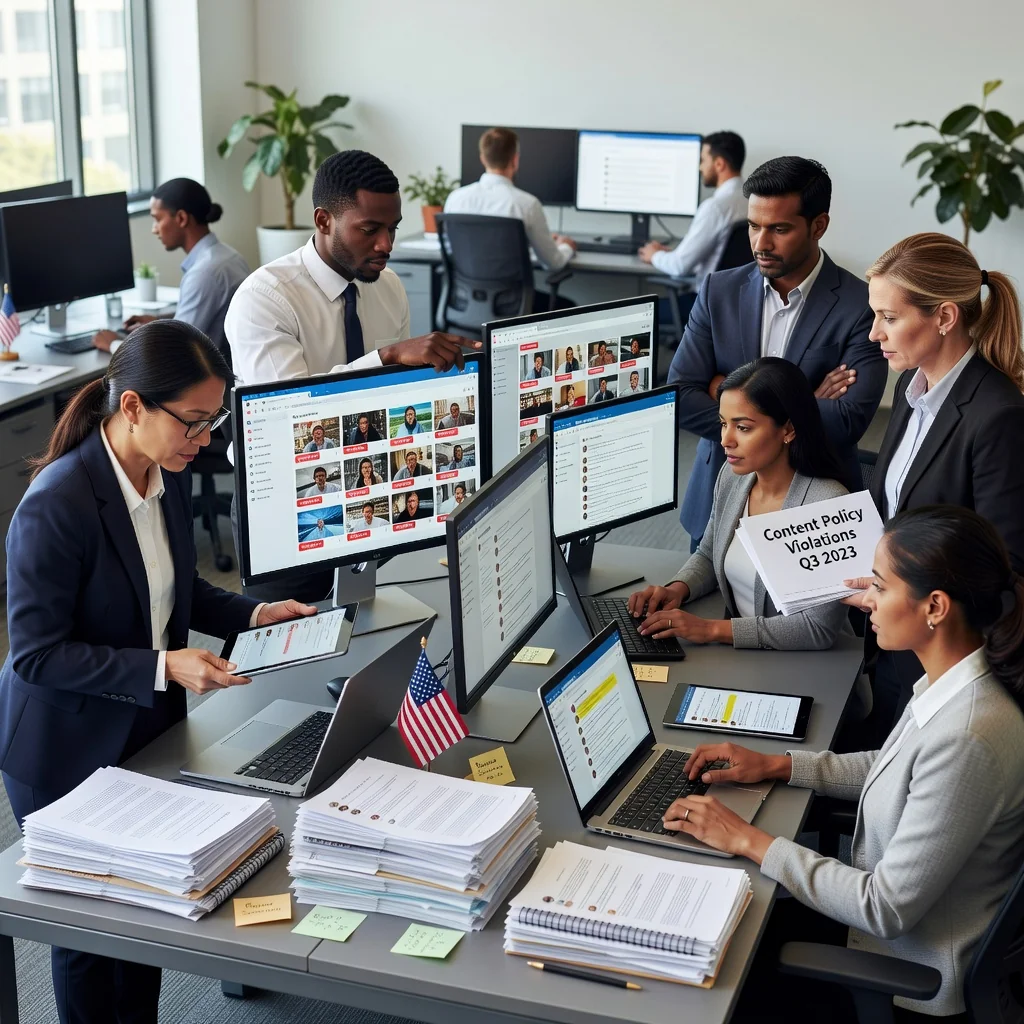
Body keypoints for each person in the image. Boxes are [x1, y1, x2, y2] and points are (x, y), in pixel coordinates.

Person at [0, 322, 313, 1024]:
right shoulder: (59, 503)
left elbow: (175, 589)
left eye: (213, 422)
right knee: (91, 936)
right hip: (63, 745)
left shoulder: (159, 473)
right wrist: (161, 664)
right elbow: (36, 654)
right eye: (195, 423)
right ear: (134, 406)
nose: (204, 442)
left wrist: (253, 616)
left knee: (142, 918)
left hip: (143, 723)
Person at [663, 506, 1024, 1022]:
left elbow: (885, 908)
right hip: (875, 929)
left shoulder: (969, 735)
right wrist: (781, 765)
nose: (866, 602)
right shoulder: (959, 681)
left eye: (879, 587)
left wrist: (748, 840)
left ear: (935, 607)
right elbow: (896, 767)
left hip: (906, 980)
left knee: (715, 978)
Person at [839, 233, 1024, 742]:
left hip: (950, 658)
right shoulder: (911, 385)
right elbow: (894, 507)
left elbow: (1007, 570)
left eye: (889, 317)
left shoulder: (998, 416)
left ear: (944, 317)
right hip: (900, 638)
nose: (875, 334)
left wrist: (897, 595)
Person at [669, 156, 887, 552]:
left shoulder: (861, 304)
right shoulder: (718, 291)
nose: (760, 243)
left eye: (779, 229)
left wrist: (725, 392)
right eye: (754, 226)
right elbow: (680, 397)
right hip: (717, 500)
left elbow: (849, 421)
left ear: (818, 225)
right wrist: (801, 397)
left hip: (814, 518)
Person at [628, 358, 850, 649]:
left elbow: (815, 629)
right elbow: (708, 554)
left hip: (805, 666)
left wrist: (711, 630)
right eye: (723, 424)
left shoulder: (829, 504)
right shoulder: (733, 478)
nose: (725, 440)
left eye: (743, 428)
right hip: (746, 657)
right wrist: (678, 588)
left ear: (788, 430)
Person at [226, 150, 478, 387]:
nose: (386, 245)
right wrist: (387, 356)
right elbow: (289, 415)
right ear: (324, 221)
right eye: (369, 230)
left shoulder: (389, 285)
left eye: (393, 228)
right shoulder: (263, 300)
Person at [94, 178, 250, 356]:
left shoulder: (204, 273)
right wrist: (161, 324)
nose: (154, 229)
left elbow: (173, 353)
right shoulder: (230, 256)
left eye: (157, 219)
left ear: (182, 218)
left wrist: (113, 344)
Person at [443, 127, 577, 293]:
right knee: (567, 308)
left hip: (465, 303)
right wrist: (566, 246)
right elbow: (553, 263)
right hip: (513, 307)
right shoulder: (526, 204)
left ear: (483, 159)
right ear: (515, 160)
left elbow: (452, 250)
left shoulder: (455, 199)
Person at [638, 131, 748, 284]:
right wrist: (676, 254)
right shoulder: (752, 200)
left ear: (719, 164)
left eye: (703, 160)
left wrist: (654, 255)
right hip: (734, 299)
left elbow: (680, 266)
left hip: (702, 302)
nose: (700, 167)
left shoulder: (715, 208)